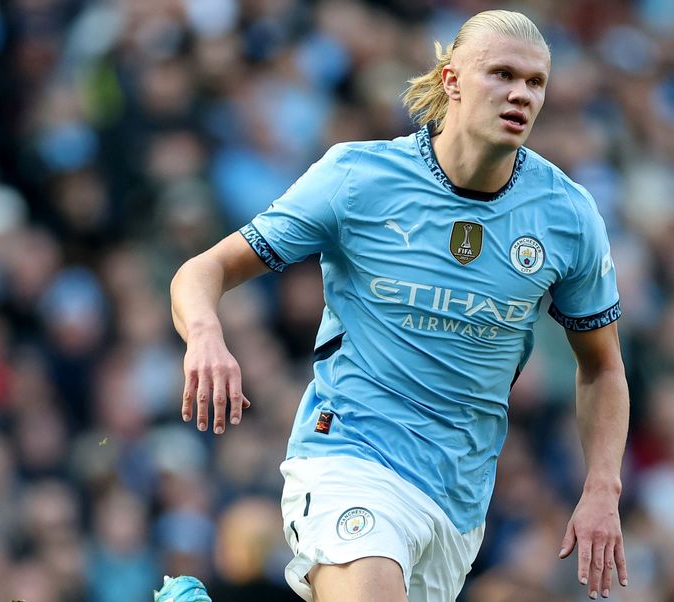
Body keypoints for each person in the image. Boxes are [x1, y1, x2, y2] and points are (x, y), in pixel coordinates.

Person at [166, 9, 631, 602]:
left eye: (535, 82)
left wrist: (601, 489)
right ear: (451, 80)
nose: (520, 93)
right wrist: (206, 335)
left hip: (458, 498)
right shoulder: (359, 179)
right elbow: (202, 269)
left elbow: (604, 367)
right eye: (502, 74)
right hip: (349, 452)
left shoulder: (567, 216)